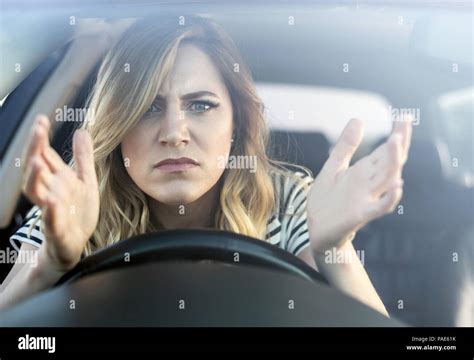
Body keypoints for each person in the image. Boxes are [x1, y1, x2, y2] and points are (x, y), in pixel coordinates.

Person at [0, 16, 412, 316]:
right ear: (118, 125)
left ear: (237, 125)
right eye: (148, 108)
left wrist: (334, 250)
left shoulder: (290, 200)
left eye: (201, 105)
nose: (175, 133)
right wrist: (49, 264)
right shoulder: (73, 203)